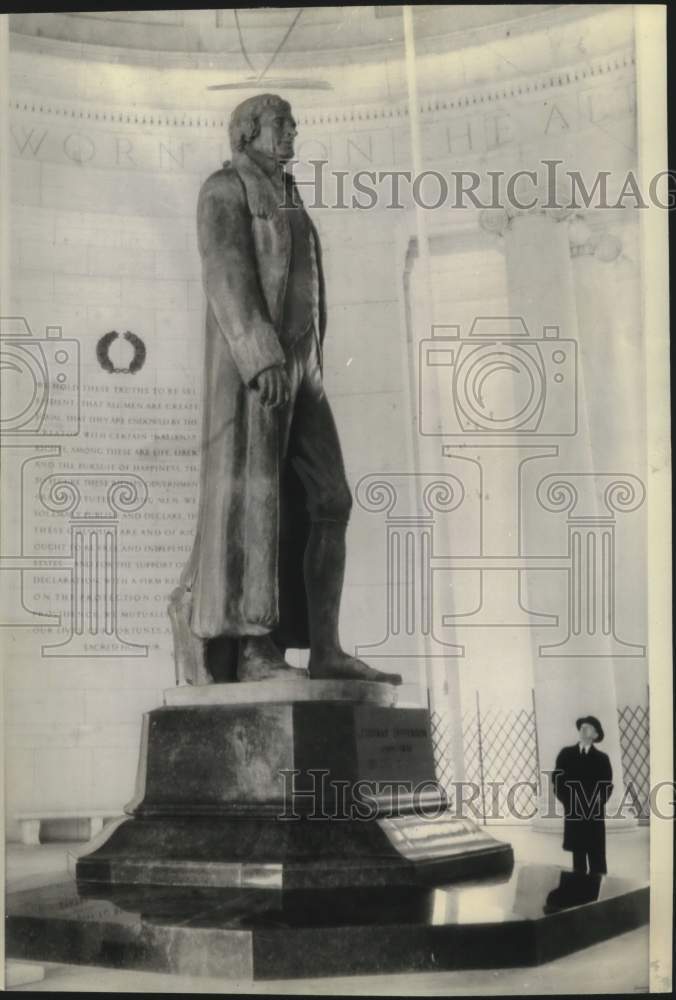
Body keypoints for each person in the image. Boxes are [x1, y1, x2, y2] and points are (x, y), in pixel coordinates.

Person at [168, 93, 401, 687]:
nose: (293, 131)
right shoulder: (225, 188)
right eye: (281, 123)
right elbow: (225, 272)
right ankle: (253, 649)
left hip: (306, 367)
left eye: (293, 123)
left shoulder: (290, 194)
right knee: (258, 502)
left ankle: (325, 647)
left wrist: (307, 360)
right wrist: (259, 353)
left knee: (331, 499)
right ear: (247, 132)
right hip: (261, 366)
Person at [553, 715, 613, 875]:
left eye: (588, 727)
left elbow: (606, 786)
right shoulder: (566, 754)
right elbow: (557, 781)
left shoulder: (602, 759)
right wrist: (568, 802)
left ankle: (600, 897)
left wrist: (596, 804)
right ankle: (578, 895)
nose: (583, 729)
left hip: (594, 816)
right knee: (578, 861)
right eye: (582, 727)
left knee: (598, 860)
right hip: (574, 814)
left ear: (595, 735)